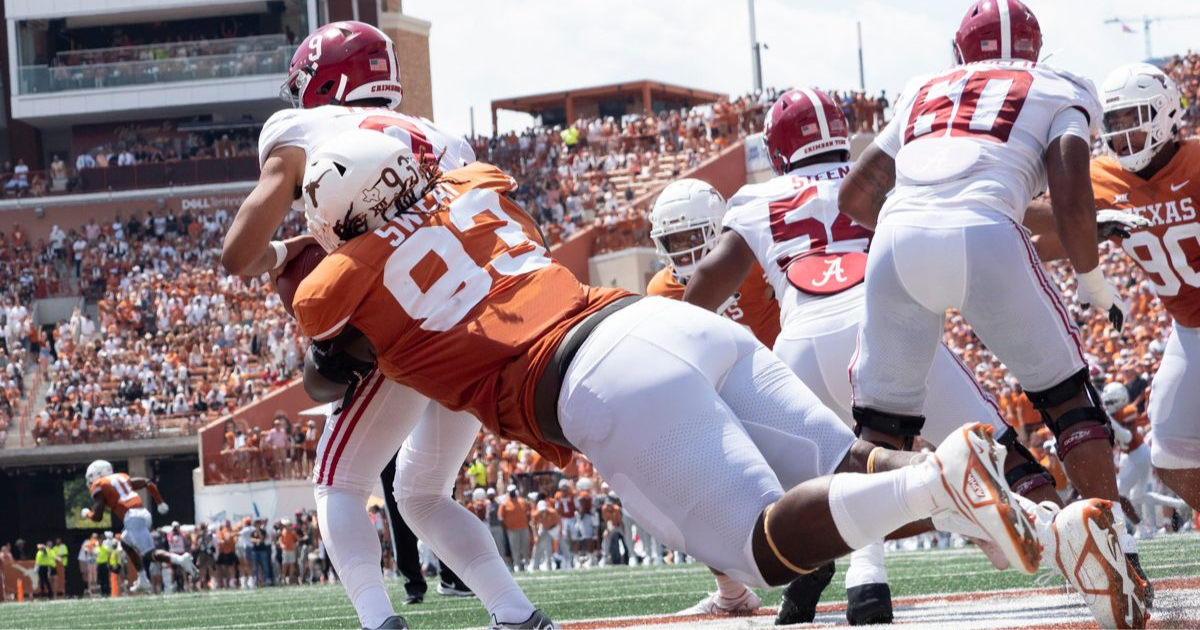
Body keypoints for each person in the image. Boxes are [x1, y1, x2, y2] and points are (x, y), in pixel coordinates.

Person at [291, 129, 1068, 630]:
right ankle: (1048, 527)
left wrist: (344, 335)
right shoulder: (474, 190)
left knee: (763, 550)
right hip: (667, 323)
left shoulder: (345, 280)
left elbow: (327, 378)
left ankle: (943, 483)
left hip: (591, 380)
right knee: (847, 477)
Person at [221, 21, 546, 630]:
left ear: (325, 79)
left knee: (337, 483)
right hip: (479, 317)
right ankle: (517, 615)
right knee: (423, 492)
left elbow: (237, 254)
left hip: (407, 320)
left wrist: (277, 255)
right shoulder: (445, 138)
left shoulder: (302, 128)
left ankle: (379, 622)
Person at [836, 2, 1147, 625]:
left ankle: (859, 569)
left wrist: (919, 230)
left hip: (894, 238)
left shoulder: (925, 87)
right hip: (986, 233)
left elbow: (854, 196)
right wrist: (1091, 279)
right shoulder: (1058, 83)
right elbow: (1068, 181)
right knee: (1068, 401)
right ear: (1035, 48)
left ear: (959, 51)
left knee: (877, 435)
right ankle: (1113, 560)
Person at [1028, 62, 1200, 516]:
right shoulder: (1104, 179)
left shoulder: (1196, 161)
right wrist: (1090, 226)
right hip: (1189, 328)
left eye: (1134, 118)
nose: (1123, 132)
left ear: (1165, 114)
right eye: (1116, 122)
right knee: (1170, 453)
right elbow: (1039, 230)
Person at [82, 459, 199, 593]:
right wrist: (160, 502)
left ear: (98, 473)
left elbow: (98, 517)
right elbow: (146, 482)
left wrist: (87, 514)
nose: (91, 481)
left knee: (150, 554)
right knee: (125, 542)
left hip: (132, 518)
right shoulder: (122, 477)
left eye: (91, 477)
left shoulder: (100, 485)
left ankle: (180, 559)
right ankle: (142, 579)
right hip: (143, 513)